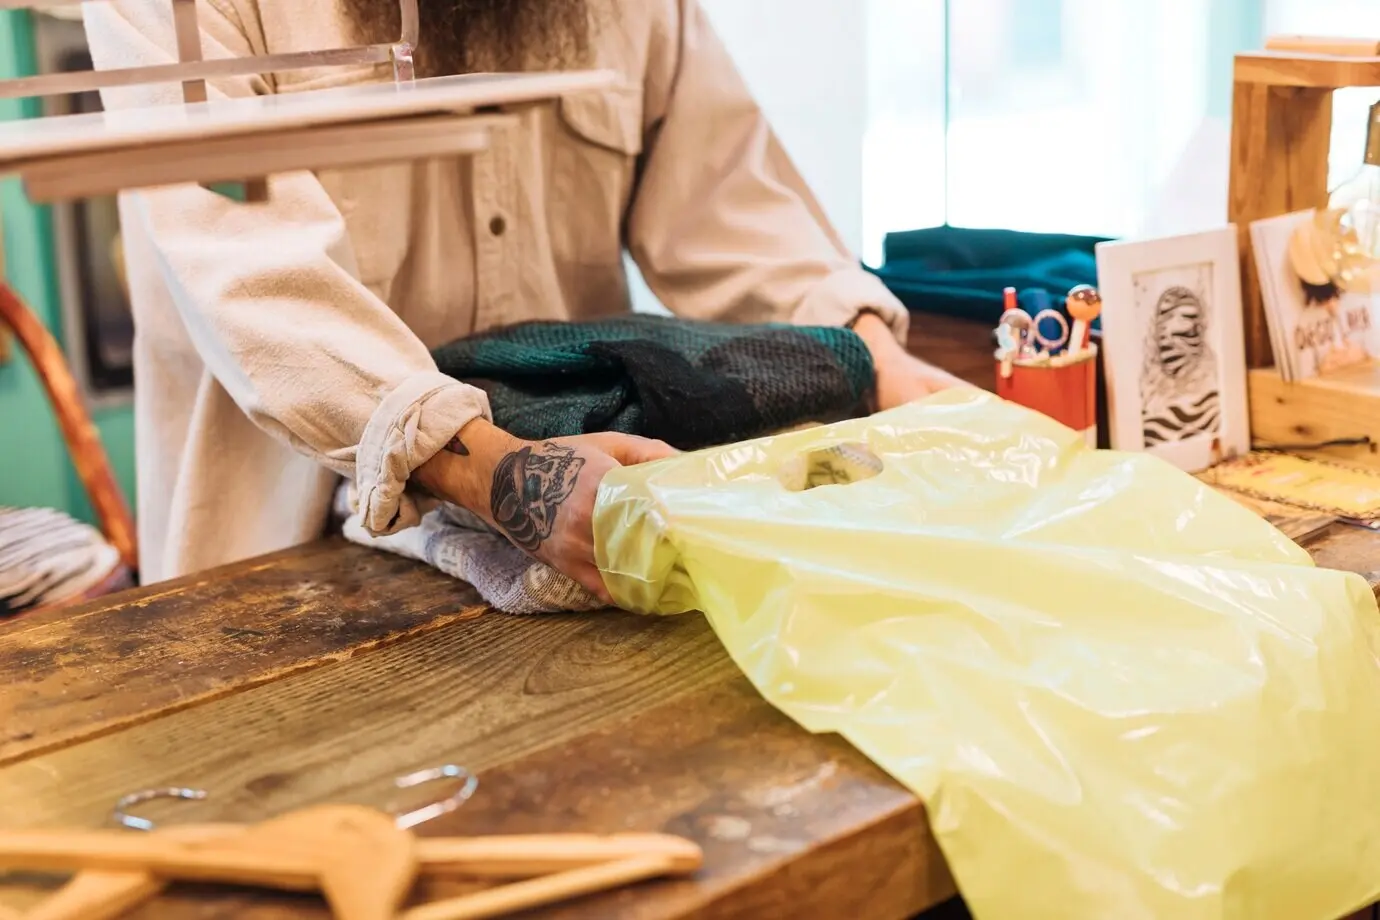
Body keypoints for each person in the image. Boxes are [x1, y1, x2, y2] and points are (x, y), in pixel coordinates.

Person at [83, 0, 963, 599]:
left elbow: (727, 204)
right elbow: (250, 271)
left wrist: (872, 358)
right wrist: (487, 466)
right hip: (284, 568)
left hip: (582, 546)